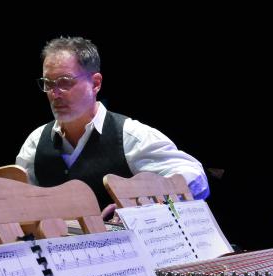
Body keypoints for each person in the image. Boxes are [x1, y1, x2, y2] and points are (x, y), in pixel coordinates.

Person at [16, 36, 208, 218]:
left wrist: (145, 209)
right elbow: (18, 204)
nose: (55, 93)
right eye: (48, 84)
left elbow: (195, 179)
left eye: (65, 82)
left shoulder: (129, 136)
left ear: (95, 83)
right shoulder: (35, 142)